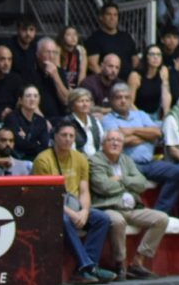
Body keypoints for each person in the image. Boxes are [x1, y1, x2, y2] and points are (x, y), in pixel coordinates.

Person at [34, 119, 117, 283]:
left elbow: (84, 190)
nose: (68, 139)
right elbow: (46, 196)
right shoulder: (43, 160)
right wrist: (73, 214)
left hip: (75, 206)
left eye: (71, 136)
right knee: (65, 220)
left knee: (102, 218)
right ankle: (87, 267)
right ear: (55, 136)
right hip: (49, 207)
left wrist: (84, 211)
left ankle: (87, 267)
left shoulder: (80, 158)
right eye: (64, 135)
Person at [89, 128, 169, 280]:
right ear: (103, 144)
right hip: (108, 207)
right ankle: (120, 263)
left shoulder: (127, 160)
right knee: (117, 221)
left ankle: (138, 262)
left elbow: (142, 183)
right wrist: (129, 183)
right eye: (111, 140)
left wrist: (120, 179)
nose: (115, 143)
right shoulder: (95, 160)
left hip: (132, 208)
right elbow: (103, 186)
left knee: (161, 218)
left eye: (118, 140)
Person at [103, 83, 179, 216]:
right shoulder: (108, 119)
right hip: (127, 165)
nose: (123, 101)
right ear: (112, 100)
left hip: (150, 163)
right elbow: (119, 141)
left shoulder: (140, 115)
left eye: (126, 97)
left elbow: (158, 133)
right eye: (119, 97)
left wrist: (132, 131)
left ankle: (160, 213)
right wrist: (147, 136)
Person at [2, 85, 52, 160]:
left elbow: (44, 145)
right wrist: (36, 144)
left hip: (37, 158)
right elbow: (18, 143)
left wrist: (26, 140)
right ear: (20, 100)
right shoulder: (12, 118)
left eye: (35, 96)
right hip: (15, 158)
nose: (32, 99)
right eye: (28, 96)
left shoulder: (41, 121)